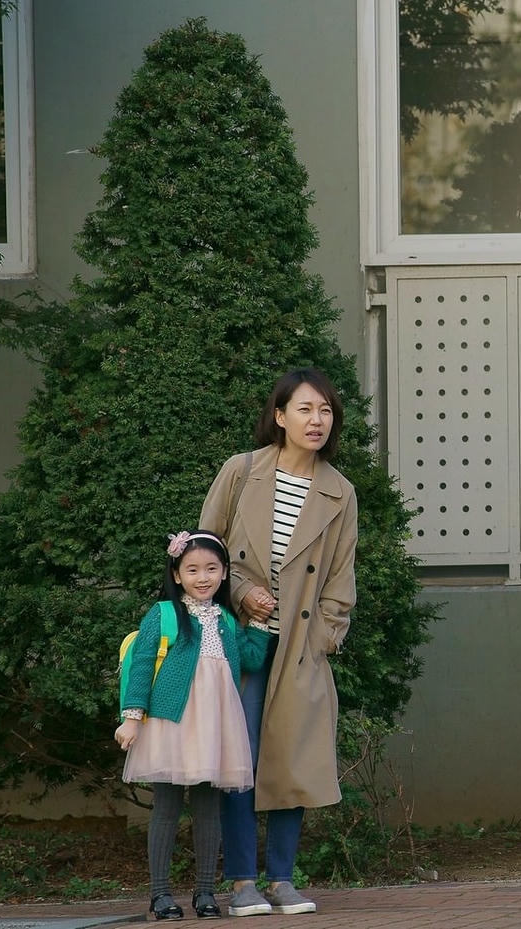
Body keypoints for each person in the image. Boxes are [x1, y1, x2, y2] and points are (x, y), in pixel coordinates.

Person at [199, 368, 359, 917]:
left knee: (294, 756)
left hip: (301, 644)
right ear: (280, 416)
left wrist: (326, 636)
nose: (317, 421)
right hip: (241, 641)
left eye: (326, 411)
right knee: (239, 757)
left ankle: (283, 878)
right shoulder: (241, 471)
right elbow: (205, 552)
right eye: (306, 409)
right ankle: (243, 881)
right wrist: (241, 592)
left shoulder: (340, 492)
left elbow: (340, 576)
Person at [116, 530, 270, 920]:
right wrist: (132, 718)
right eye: (193, 570)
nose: (203, 577)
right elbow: (141, 666)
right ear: (177, 574)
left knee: (208, 809)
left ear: (224, 573)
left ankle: (205, 893)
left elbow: (251, 660)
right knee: (167, 807)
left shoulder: (226, 620)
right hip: (171, 721)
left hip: (215, 726)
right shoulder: (164, 614)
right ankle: (160, 895)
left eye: (212, 569)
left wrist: (257, 623)